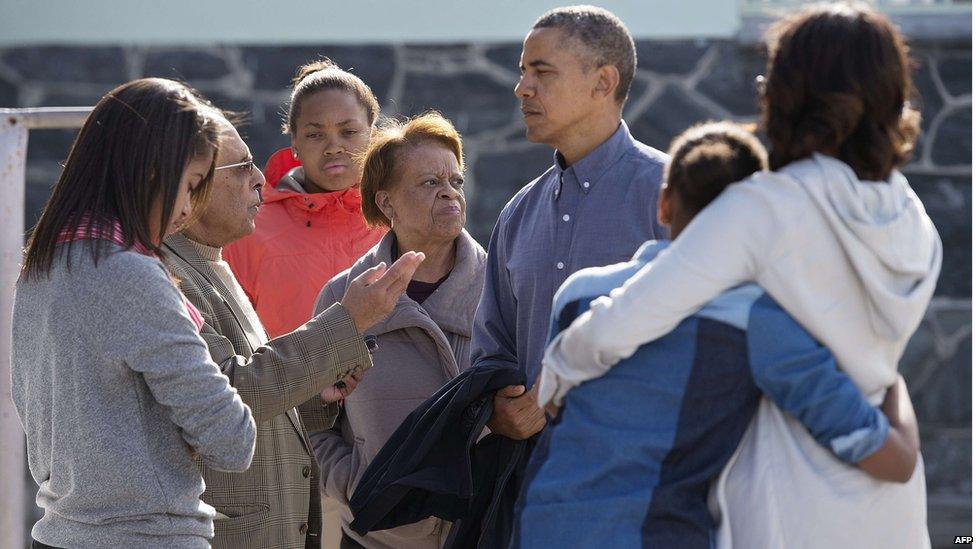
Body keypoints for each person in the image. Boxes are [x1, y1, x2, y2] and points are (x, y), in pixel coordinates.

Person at [541, 4, 939, 548]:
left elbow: (629, 317)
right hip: (887, 495)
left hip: (783, 501)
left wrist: (559, 367)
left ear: (791, 91)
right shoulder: (914, 220)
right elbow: (883, 373)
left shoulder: (763, 209)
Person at [11, 77, 256, 549]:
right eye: (188, 186)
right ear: (148, 172)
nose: (188, 208)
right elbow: (232, 439)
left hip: (59, 532)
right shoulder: (128, 273)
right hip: (144, 535)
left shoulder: (42, 262)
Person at [161, 117, 423, 548]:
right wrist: (347, 321)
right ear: (191, 184)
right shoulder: (169, 275)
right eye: (242, 167)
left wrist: (318, 397)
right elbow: (227, 395)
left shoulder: (212, 262)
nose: (261, 178)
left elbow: (257, 397)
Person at [471, 5, 668, 446]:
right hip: (532, 486)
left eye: (542, 72)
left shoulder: (674, 195)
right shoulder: (517, 213)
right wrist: (498, 410)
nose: (522, 88)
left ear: (603, 82)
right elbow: (491, 349)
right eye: (523, 72)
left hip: (647, 481)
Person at [311, 112, 486, 549]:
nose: (449, 192)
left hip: (480, 530)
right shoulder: (345, 295)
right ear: (386, 203)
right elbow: (311, 414)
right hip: (373, 531)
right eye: (430, 183)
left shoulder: (502, 287)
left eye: (455, 182)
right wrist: (353, 485)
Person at [225, 59, 386, 339]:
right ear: (295, 144)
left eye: (348, 132)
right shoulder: (249, 228)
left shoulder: (399, 216)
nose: (334, 147)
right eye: (315, 135)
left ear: (372, 135)